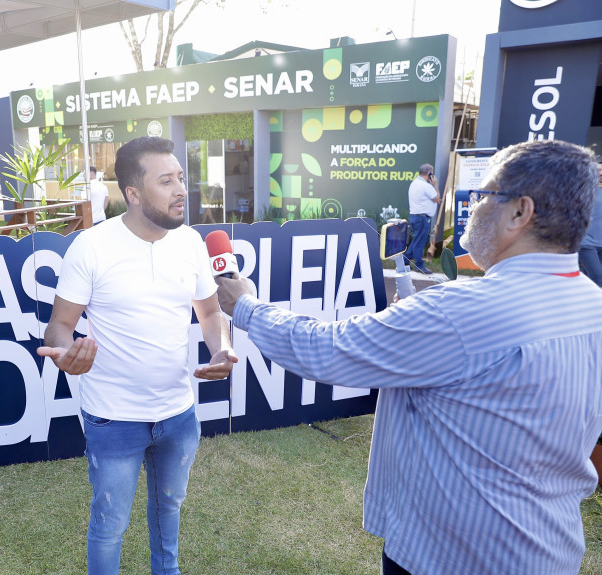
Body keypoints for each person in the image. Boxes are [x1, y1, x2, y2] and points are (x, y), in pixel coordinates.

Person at [215, 139, 602, 574]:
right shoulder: (593, 303)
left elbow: (326, 349)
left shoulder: (460, 312)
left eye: (483, 196)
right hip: (551, 551)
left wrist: (246, 305)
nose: (472, 209)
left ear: (520, 212)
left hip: (451, 558)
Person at [37, 137, 237, 574]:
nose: (181, 189)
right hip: (113, 418)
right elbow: (60, 324)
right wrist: (67, 353)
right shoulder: (90, 247)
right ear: (132, 193)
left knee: (169, 514)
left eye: (181, 178)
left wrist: (221, 347)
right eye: (166, 181)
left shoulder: (190, 243)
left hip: (179, 414)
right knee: (109, 526)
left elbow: (209, 312)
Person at [404, 163, 440, 274]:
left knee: (417, 240)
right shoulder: (427, 186)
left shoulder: (415, 183)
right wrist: (436, 185)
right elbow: (437, 199)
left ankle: (404, 260)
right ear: (429, 173)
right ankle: (419, 266)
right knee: (420, 243)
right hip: (422, 218)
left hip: (416, 217)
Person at [578, 158, 602, 286]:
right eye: (598, 170)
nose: (601, 173)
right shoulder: (585, 189)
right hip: (587, 242)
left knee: (590, 277)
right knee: (597, 275)